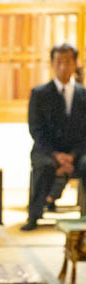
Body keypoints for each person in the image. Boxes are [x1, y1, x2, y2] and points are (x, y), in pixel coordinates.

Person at [23, 43, 86, 230]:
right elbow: (36, 130)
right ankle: (33, 216)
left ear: (75, 64)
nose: (63, 66)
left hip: (78, 151)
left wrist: (73, 155)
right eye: (58, 61)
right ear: (52, 64)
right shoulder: (39, 94)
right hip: (46, 150)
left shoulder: (84, 95)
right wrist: (56, 155)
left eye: (68, 61)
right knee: (44, 166)